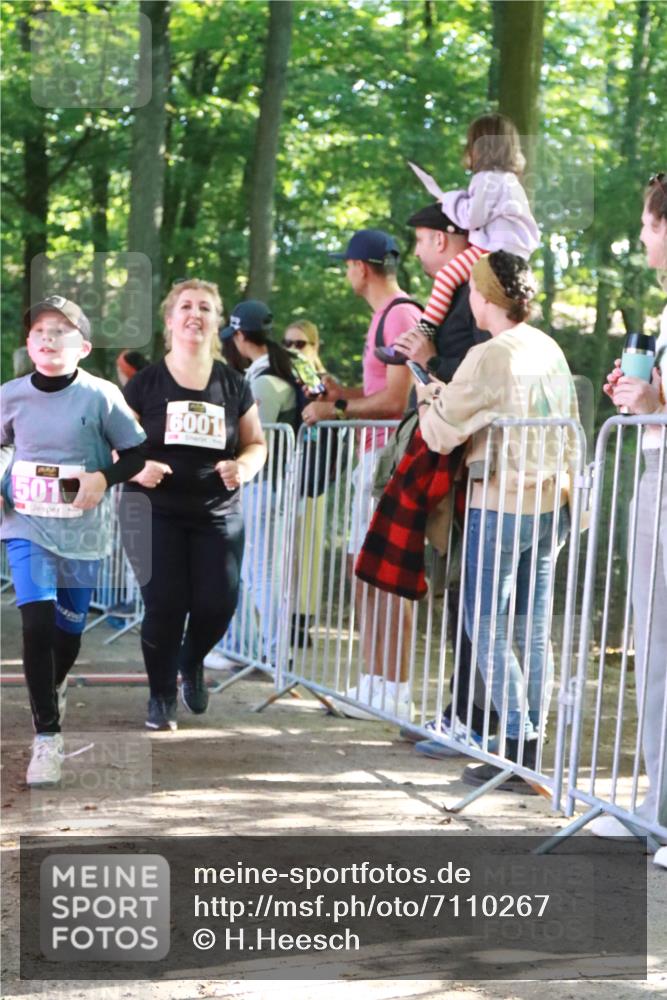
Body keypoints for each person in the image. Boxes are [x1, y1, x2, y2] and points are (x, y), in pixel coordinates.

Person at [416, 251, 580, 792]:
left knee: (484, 626)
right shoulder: (549, 348)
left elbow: (441, 432)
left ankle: (512, 744)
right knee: (531, 629)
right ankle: (529, 748)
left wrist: (425, 393)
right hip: (553, 502)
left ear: (483, 297)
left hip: (501, 502)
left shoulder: (489, 355)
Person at [0, 295, 146, 786]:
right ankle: (48, 738)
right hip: (27, 527)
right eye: (40, 330)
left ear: (82, 346)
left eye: (61, 331)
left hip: (81, 534)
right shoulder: (10, 394)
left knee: (66, 636)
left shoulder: (101, 395)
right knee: (36, 626)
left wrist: (104, 478)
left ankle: (54, 685)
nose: (48, 338)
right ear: (28, 343)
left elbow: (136, 452)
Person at [119, 279, 267, 731]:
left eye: (206, 307)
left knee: (217, 602)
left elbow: (256, 443)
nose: (195, 314)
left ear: (217, 321)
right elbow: (114, 446)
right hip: (152, 509)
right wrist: (137, 467)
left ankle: (191, 660)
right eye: (185, 306)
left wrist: (242, 468)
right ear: (169, 321)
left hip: (217, 512)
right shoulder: (145, 384)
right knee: (164, 603)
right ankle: (161, 694)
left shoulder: (234, 384)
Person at [302, 229, 420, 720]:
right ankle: (373, 682)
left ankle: (395, 691)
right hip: (373, 459)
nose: (346, 271)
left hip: (390, 459)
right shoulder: (385, 315)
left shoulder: (401, 314)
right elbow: (377, 391)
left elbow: (396, 399)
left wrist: (338, 408)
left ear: (362, 267)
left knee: (389, 576)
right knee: (366, 572)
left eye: (347, 263)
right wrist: (340, 392)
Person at [393, 202, 496, 759]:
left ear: (441, 239)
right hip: (461, 469)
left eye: (420, 242)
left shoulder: (473, 297)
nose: (417, 254)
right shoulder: (459, 295)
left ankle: (475, 720)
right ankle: (461, 711)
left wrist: (429, 360)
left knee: (473, 597)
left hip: (476, 469)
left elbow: (474, 382)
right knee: (458, 593)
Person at [597, 172, 667, 867]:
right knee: (653, 651)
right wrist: (642, 397)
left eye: (648, 223)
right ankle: (656, 807)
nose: (642, 235)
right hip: (654, 477)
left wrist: (651, 405)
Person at [407, 113, 539, 342]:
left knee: (447, 277)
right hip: (513, 253)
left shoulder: (487, 179)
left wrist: (448, 200)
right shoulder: (509, 180)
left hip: (494, 251)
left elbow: (470, 218)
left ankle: (424, 331)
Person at [219, 300, 298, 665]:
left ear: (239, 335)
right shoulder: (268, 373)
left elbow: (252, 437)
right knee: (255, 570)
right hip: (263, 487)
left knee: (261, 572)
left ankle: (274, 652)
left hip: (263, 486)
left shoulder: (265, 381)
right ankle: (260, 649)